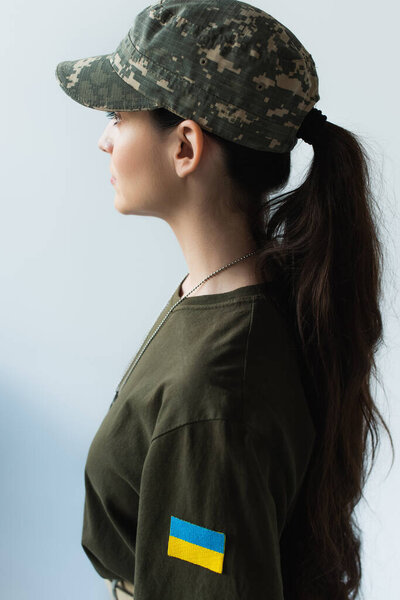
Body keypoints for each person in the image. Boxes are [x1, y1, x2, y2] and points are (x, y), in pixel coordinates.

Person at [55, 1, 393, 599]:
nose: (105, 141)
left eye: (117, 114)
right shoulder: (238, 294)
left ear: (185, 147)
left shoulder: (214, 394)